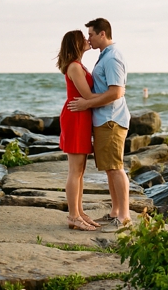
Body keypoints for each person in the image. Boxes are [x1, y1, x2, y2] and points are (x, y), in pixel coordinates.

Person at [68, 18, 131, 233]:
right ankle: (115, 211)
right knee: (110, 168)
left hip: (111, 119)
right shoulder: (104, 57)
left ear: (102, 34)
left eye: (91, 35)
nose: (89, 39)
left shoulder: (112, 57)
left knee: (115, 168)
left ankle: (124, 215)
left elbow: (116, 92)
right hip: (103, 119)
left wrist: (87, 103)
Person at [56, 30, 100, 231]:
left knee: (80, 170)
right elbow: (87, 95)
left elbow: (88, 98)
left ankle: (79, 212)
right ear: (75, 43)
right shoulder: (74, 66)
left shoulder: (78, 65)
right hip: (75, 117)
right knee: (75, 170)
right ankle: (73, 215)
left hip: (81, 116)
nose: (86, 39)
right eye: (82, 37)